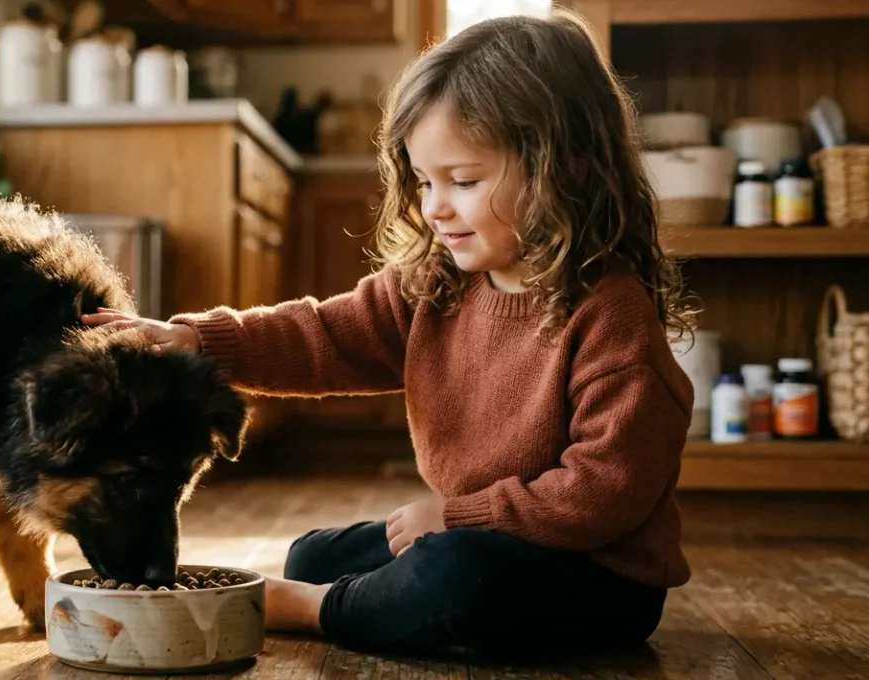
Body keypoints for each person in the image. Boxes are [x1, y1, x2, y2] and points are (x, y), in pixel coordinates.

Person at [82, 9, 697, 660]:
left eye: (463, 181)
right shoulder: (439, 283)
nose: (435, 207)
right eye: (425, 181)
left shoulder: (612, 316)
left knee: (449, 575)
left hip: (595, 577)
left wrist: (456, 516)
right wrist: (202, 343)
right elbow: (326, 335)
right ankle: (346, 594)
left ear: (562, 169)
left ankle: (315, 609)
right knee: (314, 555)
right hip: (485, 535)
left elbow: (602, 493)